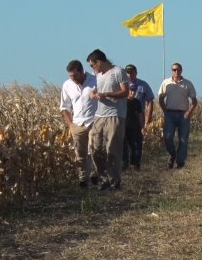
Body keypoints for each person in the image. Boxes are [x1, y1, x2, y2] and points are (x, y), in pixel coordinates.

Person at [88, 49, 129, 190]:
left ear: (99, 61)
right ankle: (103, 178)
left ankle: (114, 181)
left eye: (93, 65)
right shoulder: (98, 75)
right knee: (95, 148)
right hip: (99, 115)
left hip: (115, 115)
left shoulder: (118, 72)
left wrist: (106, 94)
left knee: (112, 149)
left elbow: (125, 92)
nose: (92, 68)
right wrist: (93, 94)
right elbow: (94, 90)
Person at [60, 60, 98, 188]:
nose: (73, 79)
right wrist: (70, 124)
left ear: (82, 71)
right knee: (80, 154)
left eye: (75, 76)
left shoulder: (95, 81)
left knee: (95, 150)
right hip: (77, 123)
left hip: (94, 121)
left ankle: (96, 175)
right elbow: (64, 107)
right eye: (70, 76)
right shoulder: (67, 85)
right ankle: (83, 179)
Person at [158, 62, 198, 169]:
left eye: (178, 70)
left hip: (183, 114)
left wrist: (189, 112)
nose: (176, 72)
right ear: (172, 71)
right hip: (170, 114)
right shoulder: (166, 82)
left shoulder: (187, 84)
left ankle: (180, 161)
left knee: (183, 139)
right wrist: (164, 110)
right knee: (167, 137)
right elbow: (161, 98)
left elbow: (194, 101)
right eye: (174, 70)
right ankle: (172, 154)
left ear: (181, 71)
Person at [125, 64, 154, 169]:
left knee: (137, 143)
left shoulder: (143, 85)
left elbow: (150, 101)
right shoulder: (121, 86)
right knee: (126, 145)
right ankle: (126, 165)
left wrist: (147, 120)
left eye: (132, 72)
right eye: (127, 72)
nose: (129, 74)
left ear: (136, 73)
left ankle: (136, 164)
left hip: (138, 119)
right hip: (124, 120)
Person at [123, 82, 144, 171]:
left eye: (134, 90)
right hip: (124, 127)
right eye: (131, 90)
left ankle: (134, 164)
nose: (133, 92)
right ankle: (124, 165)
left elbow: (140, 114)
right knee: (124, 147)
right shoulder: (123, 102)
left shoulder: (137, 102)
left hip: (134, 127)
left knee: (133, 147)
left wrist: (142, 126)